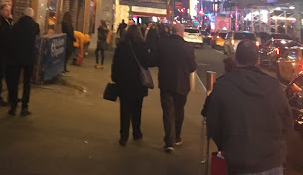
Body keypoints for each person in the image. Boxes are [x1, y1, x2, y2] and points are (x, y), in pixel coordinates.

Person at [206, 40, 293, 175]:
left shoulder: (222, 86)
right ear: (258, 60)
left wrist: (227, 146)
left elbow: (214, 125)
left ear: (235, 59)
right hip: (272, 161)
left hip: (240, 162)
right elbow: (287, 123)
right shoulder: (274, 86)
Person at [157, 22, 197, 152]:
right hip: (182, 84)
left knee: (168, 112)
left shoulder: (163, 45)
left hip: (166, 83)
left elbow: (156, 60)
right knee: (179, 110)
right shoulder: (188, 47)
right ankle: (177, 136)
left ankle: (168, 141)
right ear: (182, 32)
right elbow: (192, 67)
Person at [111, 24, 151, 146]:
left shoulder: (122, 46)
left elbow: (115, 64)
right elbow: (146, 63)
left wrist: (115, 78)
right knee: (137, 109)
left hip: (124, 83)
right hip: (138, 84)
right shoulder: (142, 46)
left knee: (124, 110)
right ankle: (136, 133)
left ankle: (123, 136)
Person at [7, 7, 40, 117]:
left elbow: (10, 38)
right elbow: (37, 34)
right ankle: (24, 107)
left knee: (14, 82)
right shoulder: (35, 26)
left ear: (23, 14)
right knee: (27, 83)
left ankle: (13, 106)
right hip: (29, 58)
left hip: (16, 57)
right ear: (32, 15)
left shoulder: (17, 25)